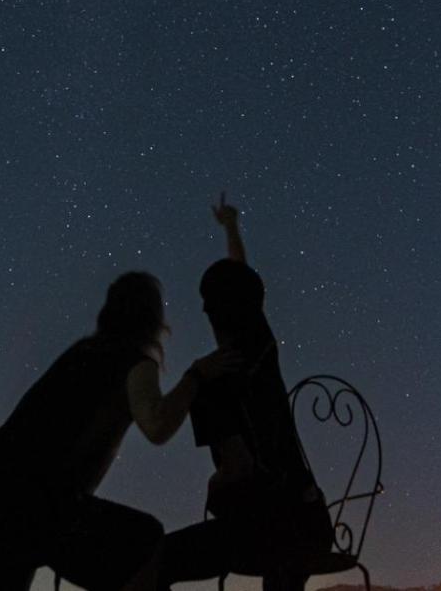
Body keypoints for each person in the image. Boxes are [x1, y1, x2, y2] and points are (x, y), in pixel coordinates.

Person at [0, 271, 238, 591]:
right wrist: (195, 377)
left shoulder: (81, 352)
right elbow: (157, 426)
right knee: (146, 539)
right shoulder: (135, 363)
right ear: (153, 319)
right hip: (34, 508)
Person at [159, 195, 333, 591]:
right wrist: (231, 227)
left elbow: (238, 471)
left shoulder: (210, 381)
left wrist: (214, 484)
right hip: (312, 523)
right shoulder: (263, 348)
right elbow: (241, 280)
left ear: (210, 313)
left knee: (157, 560)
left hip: (264, 532)